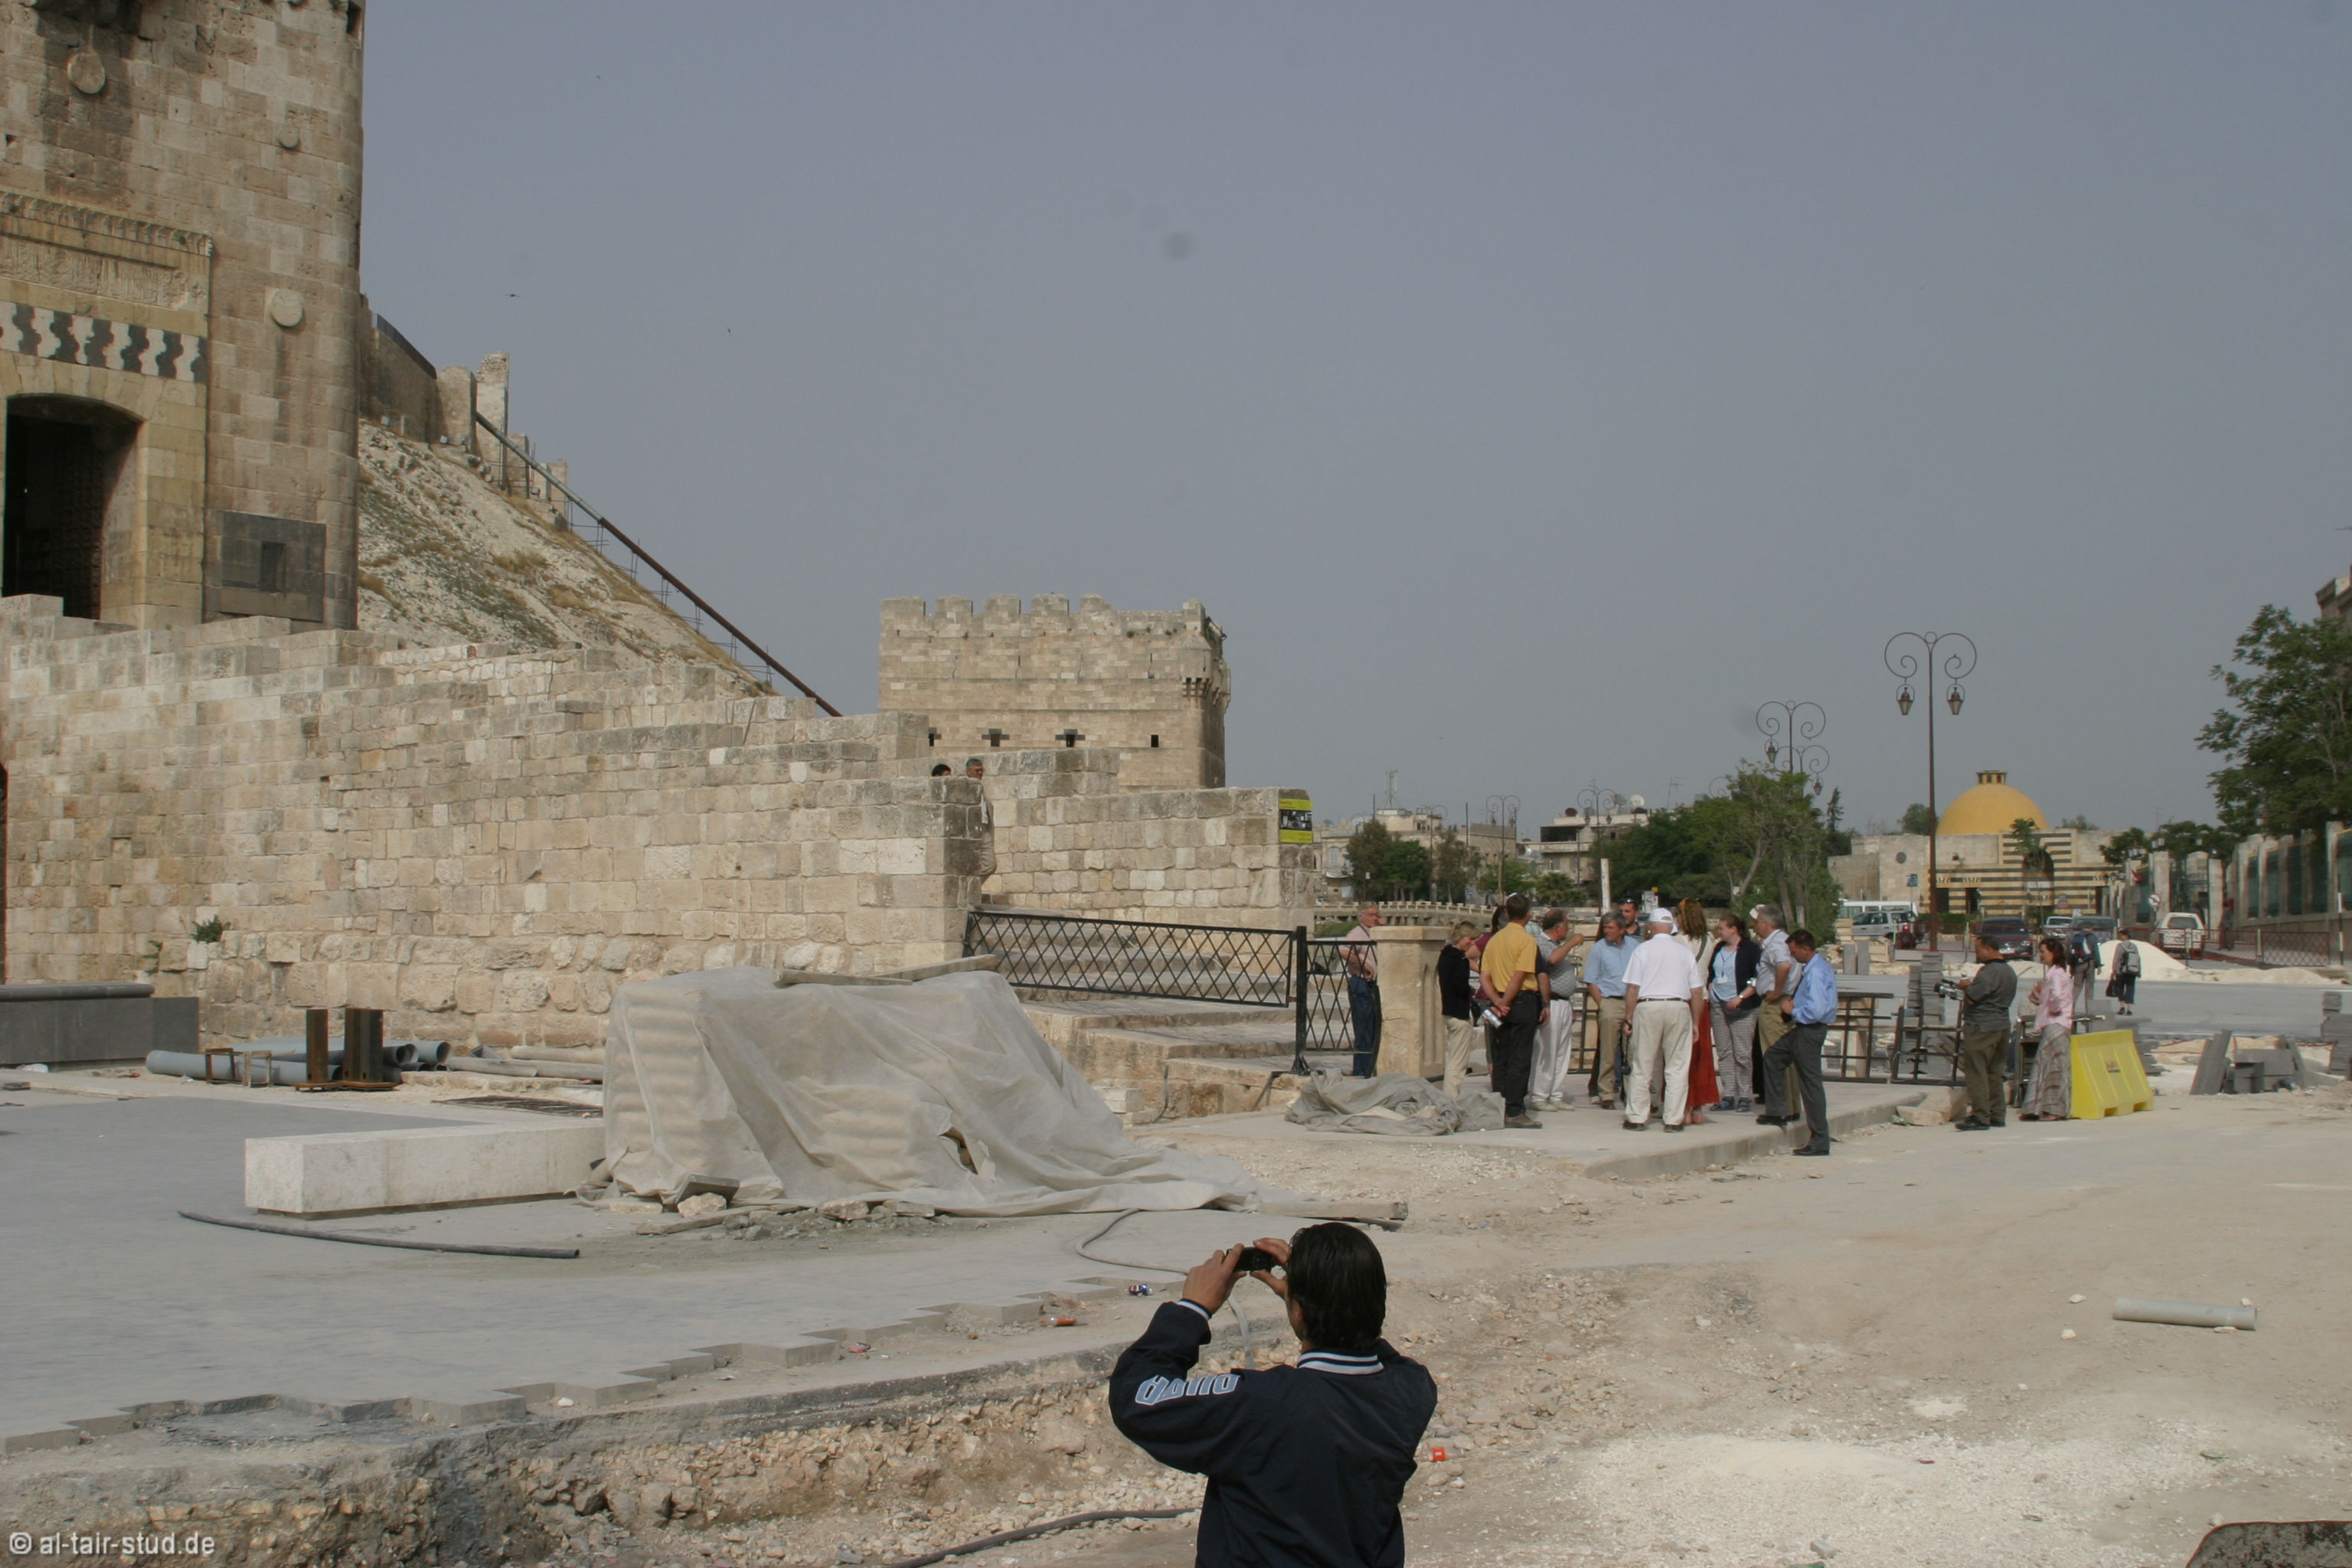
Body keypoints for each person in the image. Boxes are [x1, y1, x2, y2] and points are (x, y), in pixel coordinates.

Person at [1111, 1224, 1436, 1568]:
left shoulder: (1261, 1403)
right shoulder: (1412, 1390)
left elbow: (1138, 1398)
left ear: (1297, 1311)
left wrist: (1192, 1309)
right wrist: (1320, 1298)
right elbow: (1373, 1351)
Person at [1619, 906, 1705, 1132]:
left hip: (1648, 1005)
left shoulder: (1643, 950)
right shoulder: (1684, 952)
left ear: (1652, 927)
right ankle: (1674, 1119)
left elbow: (1633, 988)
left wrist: (1629, 1017)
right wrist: (1696, 1022)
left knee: (1642, 1063)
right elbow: (1697, 991)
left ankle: (1637, 1117)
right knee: (1677, 1066)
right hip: (1678, 1005)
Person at [1762, 927, 1837, 1156]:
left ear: (1806, 949)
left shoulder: (1816, 973)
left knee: (1810, 1083)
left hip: (1810, 1029)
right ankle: (1777, 1110)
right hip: (1803, 1029)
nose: (1792, 956)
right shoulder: (1816, 968)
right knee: (1773, 1057)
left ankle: (1820, 1139)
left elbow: (1817, 1009)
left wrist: (1792, 1011)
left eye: (1794, 952)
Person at [1480, 891, 1548, 1128]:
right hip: (1520, 1002)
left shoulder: (1494, 940)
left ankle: (1499, 1105)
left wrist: (1497, 1001)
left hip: (1498, 1002)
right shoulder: (1527, 941)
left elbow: (1484, 976)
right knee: (1520, 1057)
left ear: (1507, 913)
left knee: (1502, 1056)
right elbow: (1519, 976)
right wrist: (1506, 1002)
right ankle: (1515, 1109)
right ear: (1528, 915)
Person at [1955, 929, 2017, 1130]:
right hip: (2002, 1026)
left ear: (1989, 949)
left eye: (1979, 950)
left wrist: (1965, 986)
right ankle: (1997, 1114)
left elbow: (1974, 997)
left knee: (1977, 1071)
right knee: (1995, 1072)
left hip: (1981, 1027)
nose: (1977, 954)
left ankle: (1980, 1115)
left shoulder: (1989, 972)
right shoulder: (2009, 972)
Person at [1703, 913, 1761, 1112]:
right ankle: (1728, 1093)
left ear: (1734, 929)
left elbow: (1757, 977)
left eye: (1722, 928)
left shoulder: (1750, 949)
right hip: (1719, 1004)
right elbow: (1712, 973)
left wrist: (1741, 997)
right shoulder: (1719, 948)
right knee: (1724, 1051)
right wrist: (1711, 987)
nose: (1719, 932)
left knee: (1742, 1053)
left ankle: (1744, 1094)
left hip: (1742, 1007)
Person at [1528, 909, 1586, 1111]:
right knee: (1547, 1050)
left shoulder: (1557, 945)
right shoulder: (1541, 943)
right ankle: (1539, 1095)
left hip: (1563, 1003)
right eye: (1566, 927)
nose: (1568, 931)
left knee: (1562, 1051)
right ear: (1558, 928)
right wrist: (1571, 943)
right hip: (1550, 1002)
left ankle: (1555, 1093)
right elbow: (1551, 960)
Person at [1580, 913, 1637, 1109]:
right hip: (1610, 1001)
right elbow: (1591, 980)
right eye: (1605, 927)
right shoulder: (1599, 948)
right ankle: (1606, 1092)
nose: (1607, 931)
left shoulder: (1635, 947)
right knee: (1608, 1051)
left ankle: (1630, 1091)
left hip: (1631, 1002)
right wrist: (1603, 1004)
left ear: (1622, 929)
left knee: (1632, 1051)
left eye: (1611, 928)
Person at [1673, 899, 1720, 1123]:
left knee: (1679, 1055)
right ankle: (1698, 1106)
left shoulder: (1675, 941)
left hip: (1683, 999)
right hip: (1702, 1000)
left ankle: (1683, 1105)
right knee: (1701, 1055)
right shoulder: (1709, 940)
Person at [2022, 934, 2074, 1121]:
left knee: (2052, 1066)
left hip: (2055, 1023)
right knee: (2051, 1065)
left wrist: (2053, 1009)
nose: (2041, 955)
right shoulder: (2056, 973)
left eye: (2043, 952)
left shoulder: (2057, 975)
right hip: (2057, 1023)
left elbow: (2057, 997)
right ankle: (2043, 1108)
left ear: (2053, 953)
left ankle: (2054, 1110)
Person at [1751, 903, 1795, 1116]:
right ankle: (1791, 1106)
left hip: (1775, 1002)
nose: (1755, 926)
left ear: (1766, 923)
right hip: (1786, 1000)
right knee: (1787, 1057)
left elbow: (1784, 965)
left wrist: (1777, 991)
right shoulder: (1786, 940)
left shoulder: (1776, 943)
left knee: (1773, 1055)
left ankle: (1779, 1109)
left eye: (1757, 922)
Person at [1340, 904, 1385, 1078]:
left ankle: (1370, 1068)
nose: (1375, 918)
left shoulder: (1375, 933)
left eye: (1377, 915)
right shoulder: (1357, 934)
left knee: (1373, 1028)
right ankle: (1362, 1071)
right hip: (1361, 983)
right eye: (1371, 915)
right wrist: (1363, 964)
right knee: (1364, 1029)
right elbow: (1344, 951)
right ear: (1362, 917)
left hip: (1373, 985)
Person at [1436, 921, 1480, 1097]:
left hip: (1448, 1011)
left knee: (1452, 1058)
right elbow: (1460, 985)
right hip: (1460, 1014)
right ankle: (1452, 1097)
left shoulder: (1445, 954)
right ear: (1461, 937)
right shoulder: (1460, 959)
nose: (1472, 943)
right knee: (1458, 1062)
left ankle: (1450, 1095)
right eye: (1470, 939)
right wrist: (1471, 990)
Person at [965, 757, 996, 884]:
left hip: (984, 828)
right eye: (977, 771)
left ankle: (970, 885)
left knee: (990, 864)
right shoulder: (963, 787)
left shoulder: (980, 788)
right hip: (971, 830)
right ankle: (969, 887)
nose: (980, 773)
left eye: (981, 770)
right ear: (968, 772)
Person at [2106, 935, 2141, 1016]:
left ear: (2126, 936)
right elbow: (2138, 960)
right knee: (2130, 989)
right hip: (2132, 971)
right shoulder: (2134, 946)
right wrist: (2139, 971)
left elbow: (2116, 959)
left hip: (2121, 971)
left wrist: (2114, 970)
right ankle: (2129, 1009)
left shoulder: (2120, 946)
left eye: (2121, 935)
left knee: (2120, 988)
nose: (2120, 937)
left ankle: (2122, 1007)